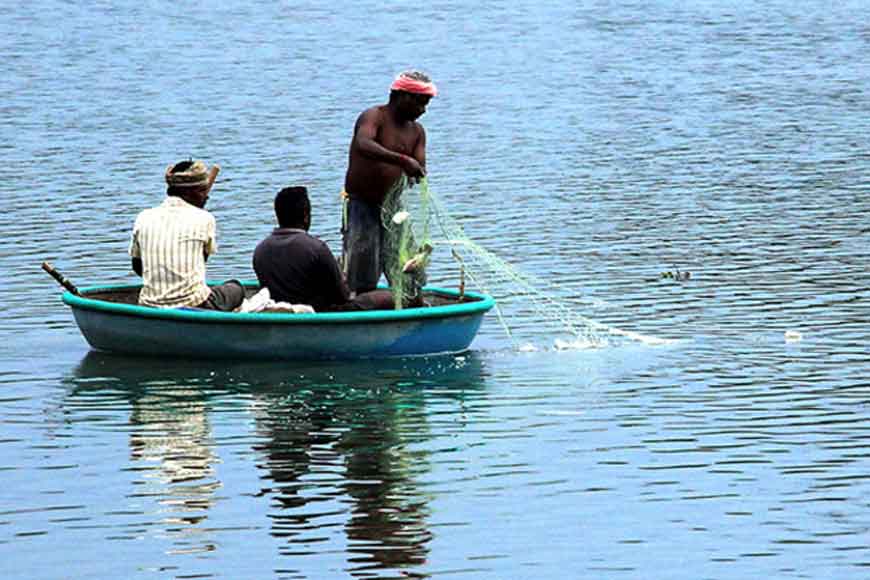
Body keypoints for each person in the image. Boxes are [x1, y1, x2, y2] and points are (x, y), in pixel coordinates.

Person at [341, 70, 437, 304]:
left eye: (426, 104)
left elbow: (419, 163)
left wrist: (417, 169)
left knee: (409, 266)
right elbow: (364, 143)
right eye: (420, 103)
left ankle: (410, 304)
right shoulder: (374, 117)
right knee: (363, 268)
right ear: (403, 96)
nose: (423, 110)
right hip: (362, 204)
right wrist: (403, 160)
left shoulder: (417, 132)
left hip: (394, 208)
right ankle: (361, 308)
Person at [253, 186, 393, 312]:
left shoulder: (260, 251)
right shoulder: (316, 249)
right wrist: (341, 275)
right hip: (320, 311)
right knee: (387, 297)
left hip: (280, 310)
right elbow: (342, 297)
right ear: (306, 216)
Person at [129, 159, 244, 311]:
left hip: (149, 304)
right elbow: (201, 262)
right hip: (196, 304)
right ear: (187, 192)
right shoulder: (205, 218)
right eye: (202, 191)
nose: (207, 196)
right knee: (236, 288)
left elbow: (138, 268)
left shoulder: (143, 217)